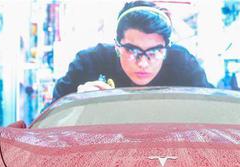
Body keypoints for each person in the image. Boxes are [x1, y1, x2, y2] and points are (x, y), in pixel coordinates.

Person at [52, 1, 211, 100]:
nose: (142, 63)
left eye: (154, 52)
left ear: (166, 49)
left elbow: (214, 112)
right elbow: (50, 124)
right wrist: (75, 104)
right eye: (132, 51)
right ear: (116, 46)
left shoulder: (183, 65)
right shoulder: (89, 64)